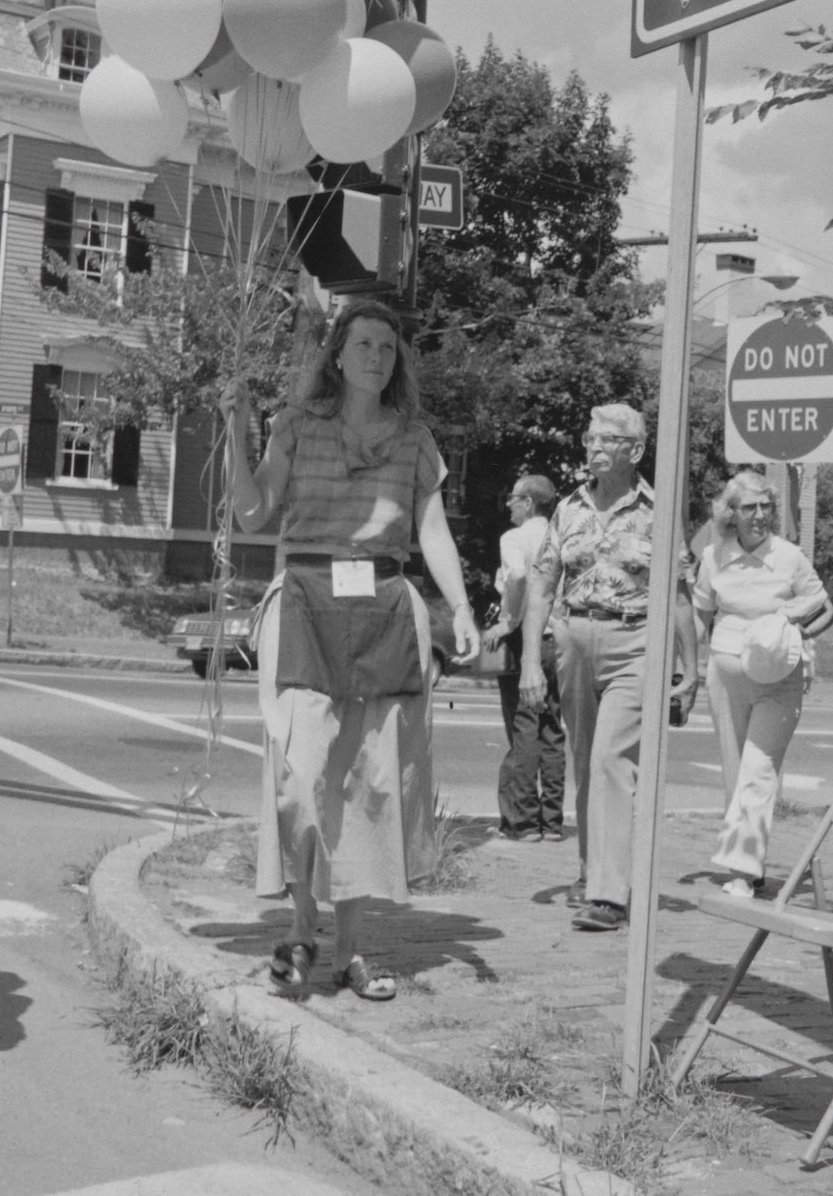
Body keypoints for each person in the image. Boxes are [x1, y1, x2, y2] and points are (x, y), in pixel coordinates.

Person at [222, 299, 480, 1003]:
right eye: (363, 343)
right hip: (306, 602)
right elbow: (252, 513)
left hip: (385, 610)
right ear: (337, 354)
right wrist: (236, 432)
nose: (376, 356)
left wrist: (458, 606)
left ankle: (353, 952)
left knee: (370, 786)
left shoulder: (415, 440)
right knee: (302, 778)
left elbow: (432, 534)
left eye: (387, 348)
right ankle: (303, 927)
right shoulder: (296, 427)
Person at [520, 404, 697, 932]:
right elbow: (541, 587)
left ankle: (608, 894)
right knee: (585, 757)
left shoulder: (656, 510)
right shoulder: (568, 509)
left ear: (635, 451)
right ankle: (590, 869)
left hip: (636, 642)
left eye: (608, 439)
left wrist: (690, 670)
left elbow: (680, 595)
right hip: (574, 639)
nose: (594, 446)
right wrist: (532, 658)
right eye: (590, 437)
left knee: (611, 760)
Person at [692, 470, 833, 897]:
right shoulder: (714, 557)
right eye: (749, 507)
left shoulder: (790, 557)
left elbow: (825, 609)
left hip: (778, 680)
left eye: (766, 507)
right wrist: (685, 669)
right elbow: (700, 614)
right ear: (730, 513)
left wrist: (799, 632)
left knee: (758, 771)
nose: (759, 515)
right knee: (736, 776)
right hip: (725, 676)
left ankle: (740, 873)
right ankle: (749, 864)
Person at [480, 475, 564, 842]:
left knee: (523, 726)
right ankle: (553, 821)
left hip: (524, 640)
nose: (508, 505)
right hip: (558, 640)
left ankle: (522, 823)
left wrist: (506, 621)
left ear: (529, 503)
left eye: (512, 498)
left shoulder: (514, 538)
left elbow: (515, 575)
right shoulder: (561, 535)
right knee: (551, 729)